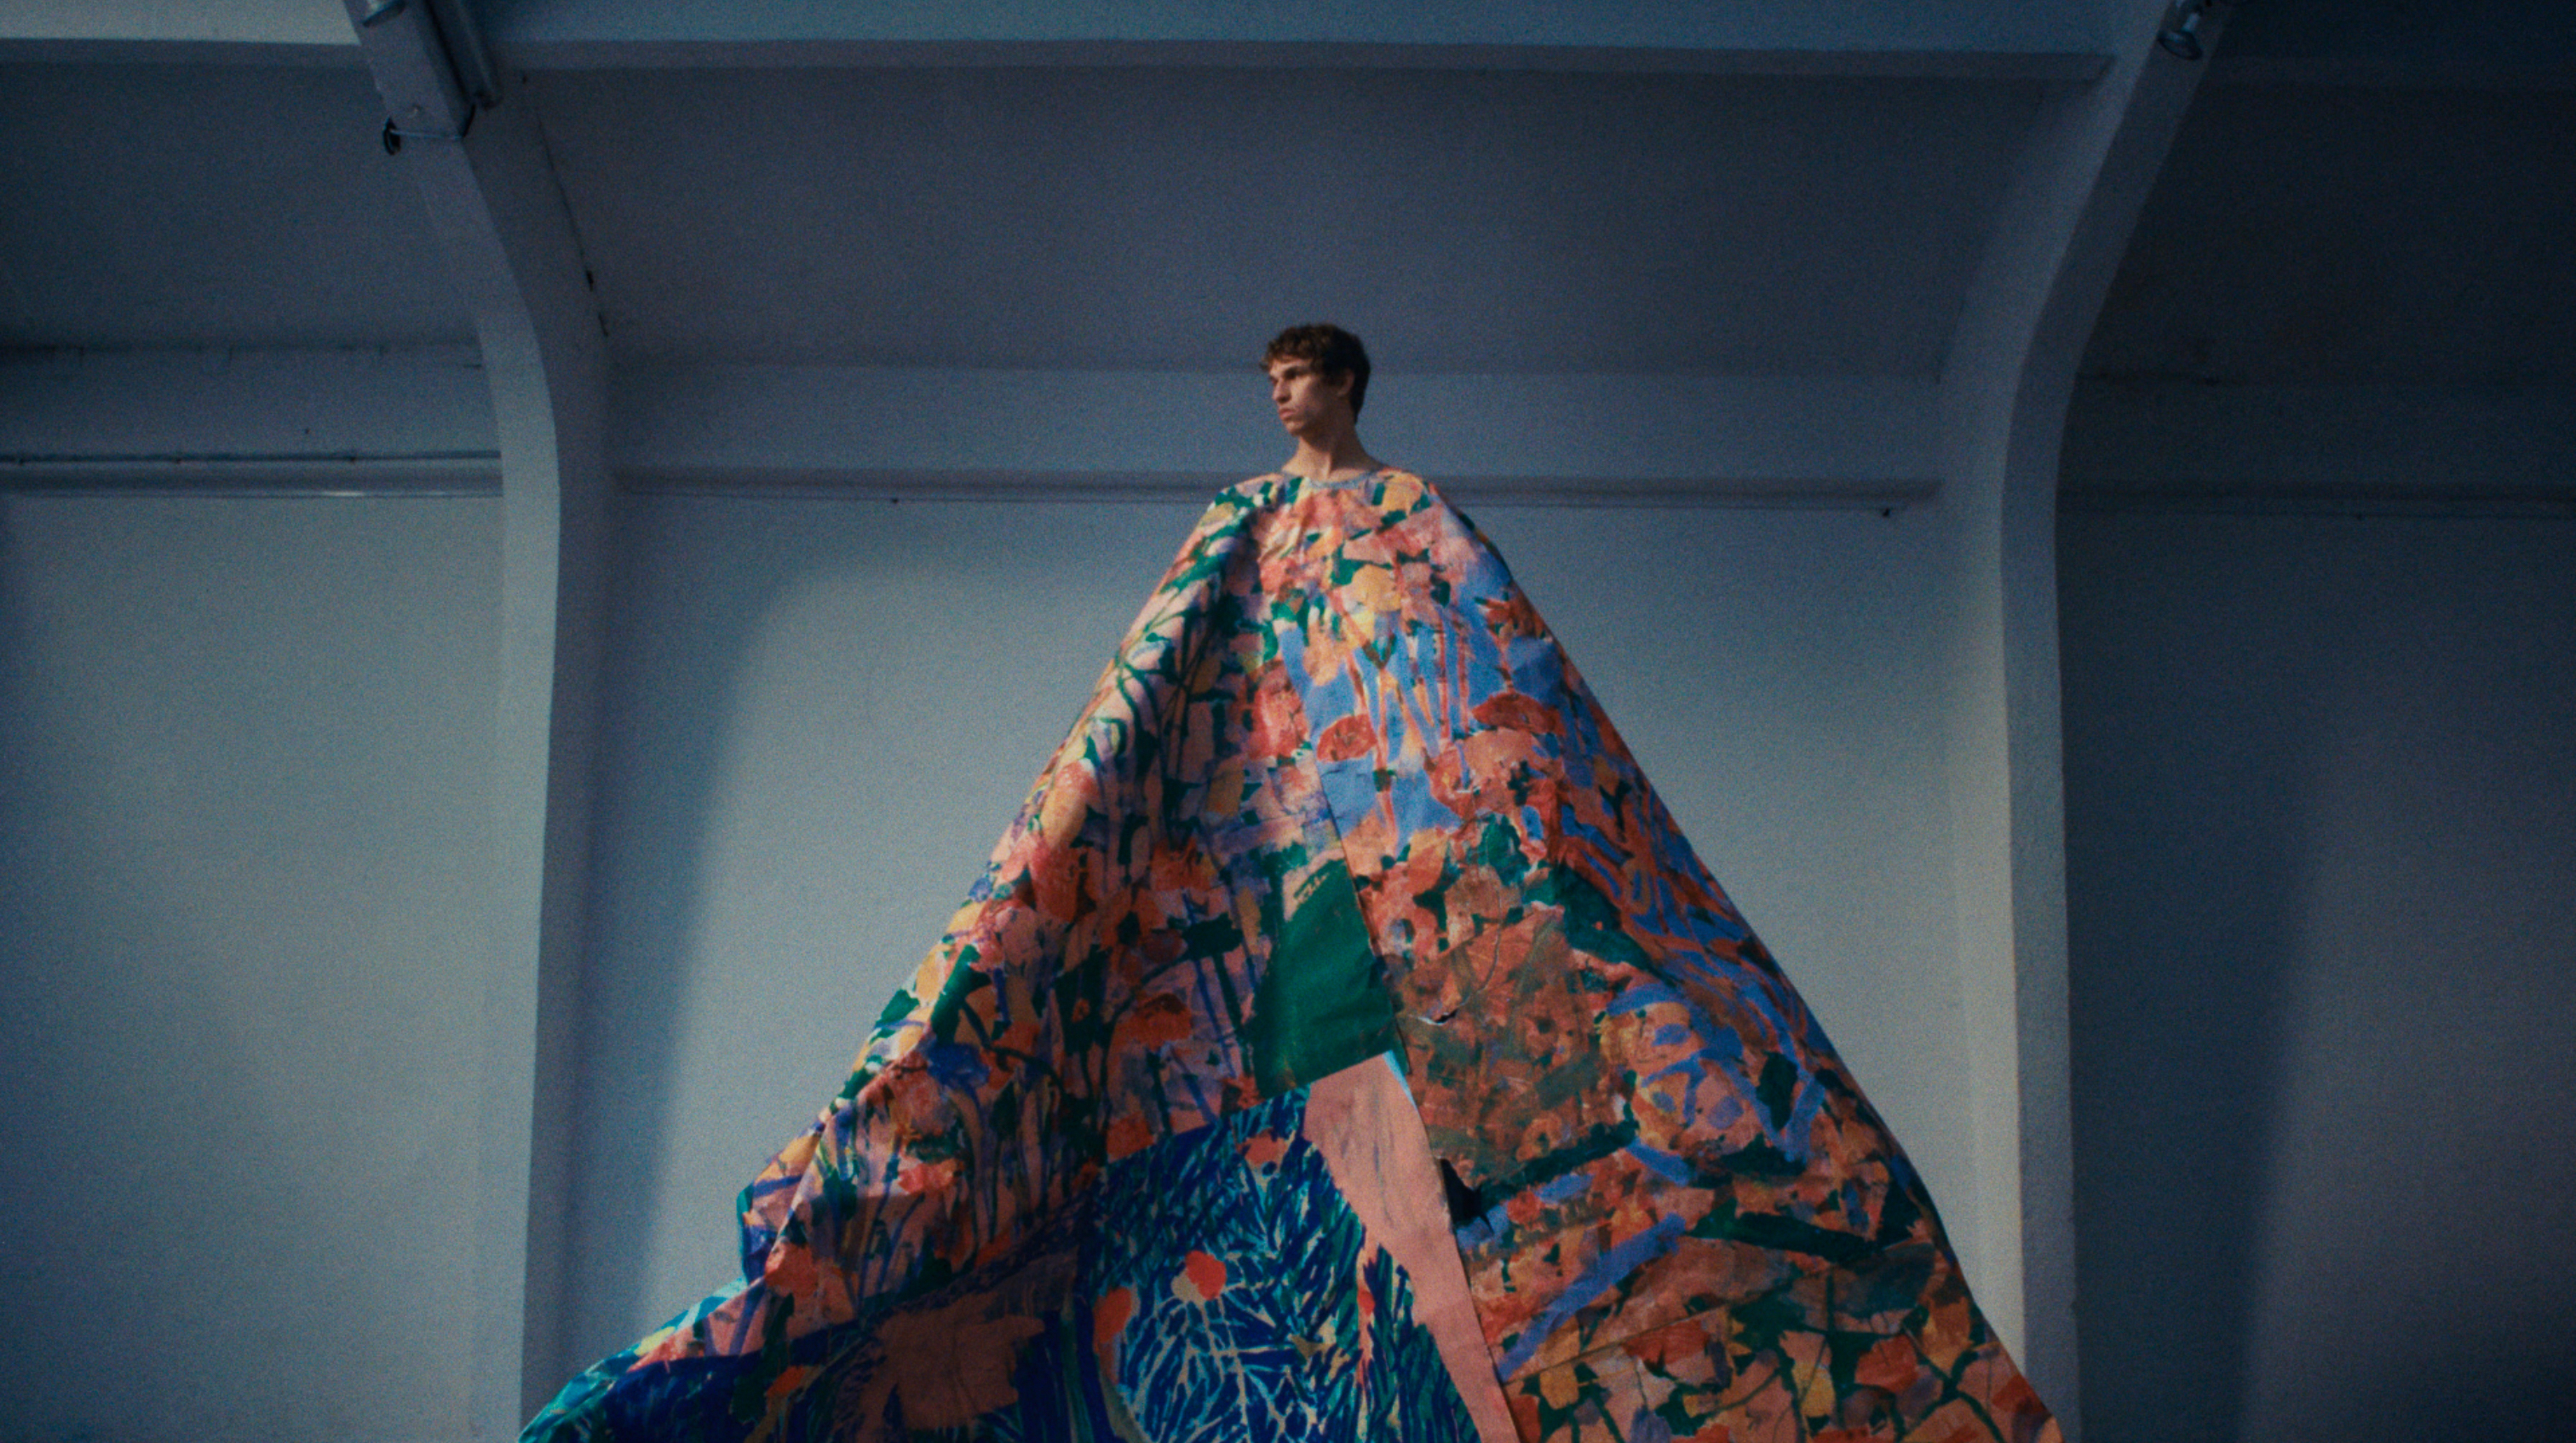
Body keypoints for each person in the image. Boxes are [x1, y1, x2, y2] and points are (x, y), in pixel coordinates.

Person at [1262, 323, 1384, 483]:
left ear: (1342, 382)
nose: (1278, 395)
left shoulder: (1410, 494)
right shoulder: (1246, 497)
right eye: (1274, 382)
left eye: (1294, 376)